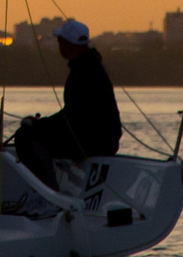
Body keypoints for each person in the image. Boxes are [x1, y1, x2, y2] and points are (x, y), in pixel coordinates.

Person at [8, 19, 122, 188]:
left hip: (92, 142)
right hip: (103, 140)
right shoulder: (90, 65)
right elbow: (74, 115)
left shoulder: (83, 71)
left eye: (60, 41)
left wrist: (36, 125)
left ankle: (48, 191)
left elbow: (72, 117)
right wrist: (42, 125)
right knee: (36, 133)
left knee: (24, 137)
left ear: (69, 45)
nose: (58, 44)